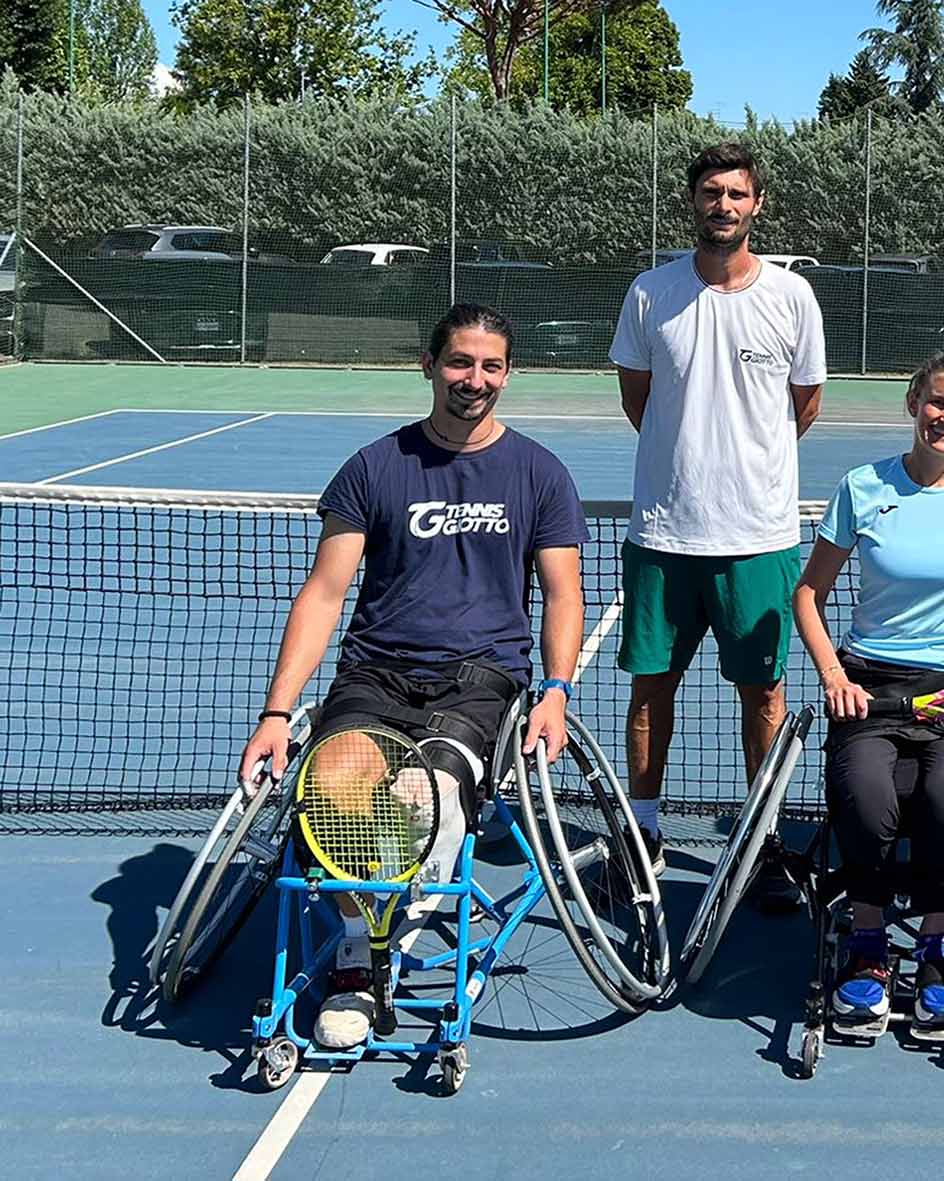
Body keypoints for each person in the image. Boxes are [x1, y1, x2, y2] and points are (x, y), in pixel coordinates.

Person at [237, 303, 588, 1050]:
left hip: (478, 681)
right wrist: (276, 711)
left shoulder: (540, 473)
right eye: (461, 363)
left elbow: (564, 594)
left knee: (414, 801)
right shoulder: (374, 466)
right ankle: (362, 955)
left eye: (491, 366)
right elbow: (324, 593)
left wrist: (555, 691)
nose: (475, 380)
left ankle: (367, 944)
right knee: (332, 792)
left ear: (508, 374)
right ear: (428, 366)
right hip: (376, 675)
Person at [793, 353, 944, 1027]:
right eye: (938, 403)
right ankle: (868, 940)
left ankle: (937, 943)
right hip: (870, 688)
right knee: (867, 798)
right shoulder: (861, 487)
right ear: (913, 403)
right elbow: (808, 595)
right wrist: (834, 677)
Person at [610, 141, 826, 901]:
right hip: (663, 536)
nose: (723, 205)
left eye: (737, 194)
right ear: (693, 202)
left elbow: (804, 404)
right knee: (650, 690)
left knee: (763, 695)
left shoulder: (793, 297)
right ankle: (643, 830)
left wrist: (741, 467)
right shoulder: (648, 293)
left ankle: (763, 841)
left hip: (759, 538)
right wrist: (686, 460)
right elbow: (639, 397)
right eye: (711, 193)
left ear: (756, 204)